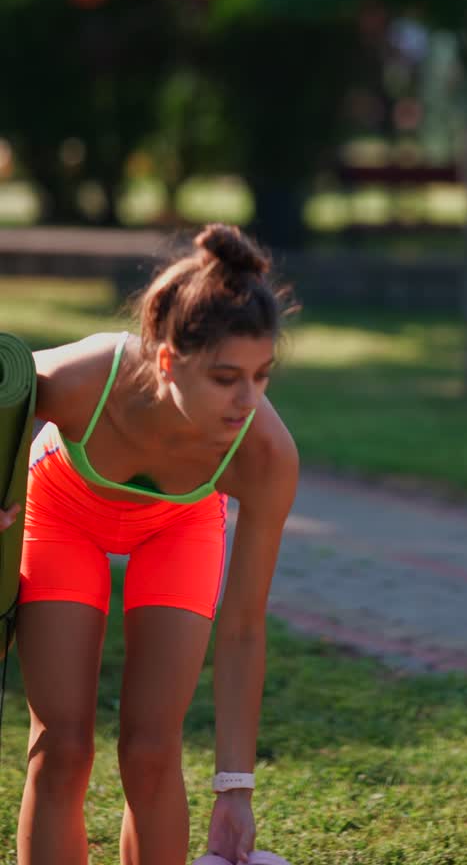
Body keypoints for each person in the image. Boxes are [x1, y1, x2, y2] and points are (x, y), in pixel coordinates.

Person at [0, 223, 299, 865]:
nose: (246, 400)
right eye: (225, 378)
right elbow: (8, 394)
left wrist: (235, 788)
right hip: (62, 508)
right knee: (64, 746)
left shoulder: (266, 456)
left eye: (262, 375)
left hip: (179, 527)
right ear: (168, 360)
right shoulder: (86, 379)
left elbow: (243, 628)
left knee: (151, 750)